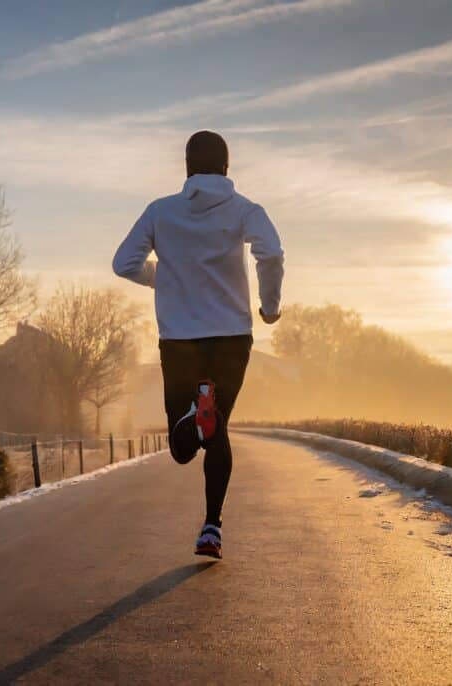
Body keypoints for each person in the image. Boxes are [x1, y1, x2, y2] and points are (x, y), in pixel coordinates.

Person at [112, 130, 284, 559]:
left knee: (182, 448)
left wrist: (163, 277)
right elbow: (272, 253)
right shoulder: (246, 209)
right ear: (227, 168)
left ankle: (195, 412)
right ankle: (212, 527)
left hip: (180, 340)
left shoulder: (161, 211)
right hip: (231, 338)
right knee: (219, 427)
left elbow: (123, 263)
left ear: (186, 168)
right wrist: (269, 306)